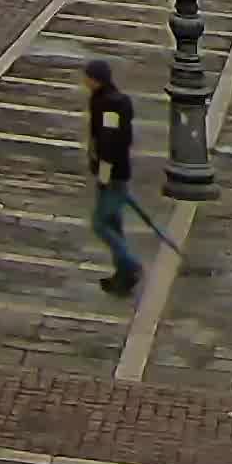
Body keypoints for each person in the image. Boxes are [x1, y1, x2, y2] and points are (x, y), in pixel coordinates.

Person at [85, 58, 145, 293]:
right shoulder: (109, 100)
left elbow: (109, 142)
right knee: (114, 223)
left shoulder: (108, 105)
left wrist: (103, 174)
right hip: (115, 172)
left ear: (95, 79)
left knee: (100, 224)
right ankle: (122, 276)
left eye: (88, 76)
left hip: (112, 174)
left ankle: (130, 265)